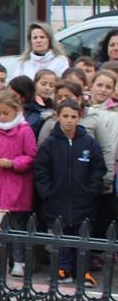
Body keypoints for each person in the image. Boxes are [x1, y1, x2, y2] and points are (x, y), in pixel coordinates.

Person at [34, 99, 105, 287]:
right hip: (57, 200)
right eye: (65, 116)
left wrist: (92, 191)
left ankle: (83, 270)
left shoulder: (89, 142)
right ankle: (63, 269)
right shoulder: (50, 143)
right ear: (58, 116)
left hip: (83, 201)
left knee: (82, 236)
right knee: (62, 235)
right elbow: (41, 170)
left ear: (79, 117)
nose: (69, 121)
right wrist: (47, 193)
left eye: (73, 116)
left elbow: (99, 168)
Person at [0, 91, 37, 277]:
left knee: (16, 225)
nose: (1, 117)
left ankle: (17, 261)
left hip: (15, 183)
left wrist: (13, 163)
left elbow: (31, 156)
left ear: (16, 110)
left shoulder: (24, 130)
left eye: (6, 113)